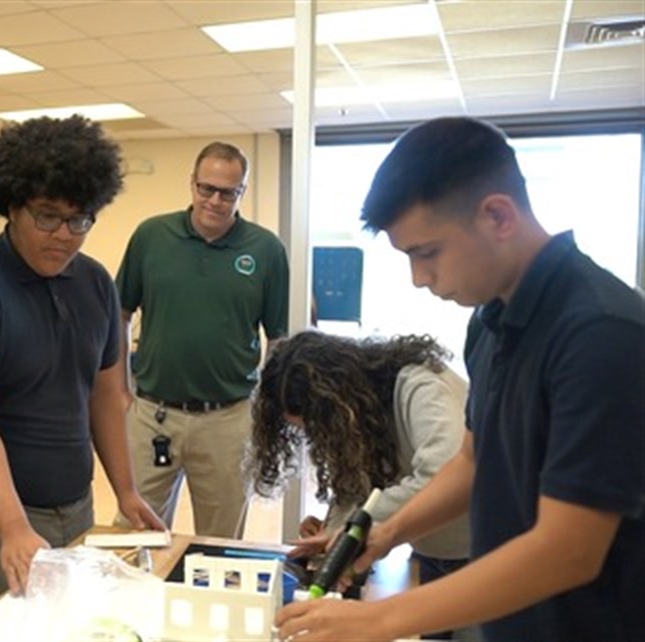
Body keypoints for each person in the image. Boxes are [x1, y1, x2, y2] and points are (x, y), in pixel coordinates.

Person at [275, 117, 645, 641]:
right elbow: (472, 461)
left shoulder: (601, 332)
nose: (419, 279)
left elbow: (570, 551)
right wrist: (385, 534)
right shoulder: (491, 321)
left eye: (426, 253)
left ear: (497, 215)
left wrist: (378, 619)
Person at [0, 115, 165, 628]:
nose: (63, 236)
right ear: (11, 206)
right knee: (1, 627)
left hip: (69, 498)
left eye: (80, 221)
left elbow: (105, 395)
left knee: (64, 624)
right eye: (47, 217)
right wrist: (11, 526)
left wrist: (125, 490)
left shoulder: (96, 284)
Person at [114, 141, 289, 538]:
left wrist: (266, 407)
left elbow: (277, 339)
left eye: (227, 192)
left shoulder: (266, 250)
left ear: (241, 192)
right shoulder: (151, 236)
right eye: (205, 188)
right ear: (191, 183)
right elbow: (119, 315)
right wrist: (121, 390)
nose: (214, 200)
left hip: (227, 420)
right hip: (151, 414)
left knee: (220, 542)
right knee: (131, 535)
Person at [253, 330, 472, 639]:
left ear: (339, 400)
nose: (317, 437)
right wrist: (334, 536)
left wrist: (357, 527)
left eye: (317, 426)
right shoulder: (363, 414)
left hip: (490, 551)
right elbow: (357, 491)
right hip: (437, 551)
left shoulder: (420, 386)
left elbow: (444, 473)